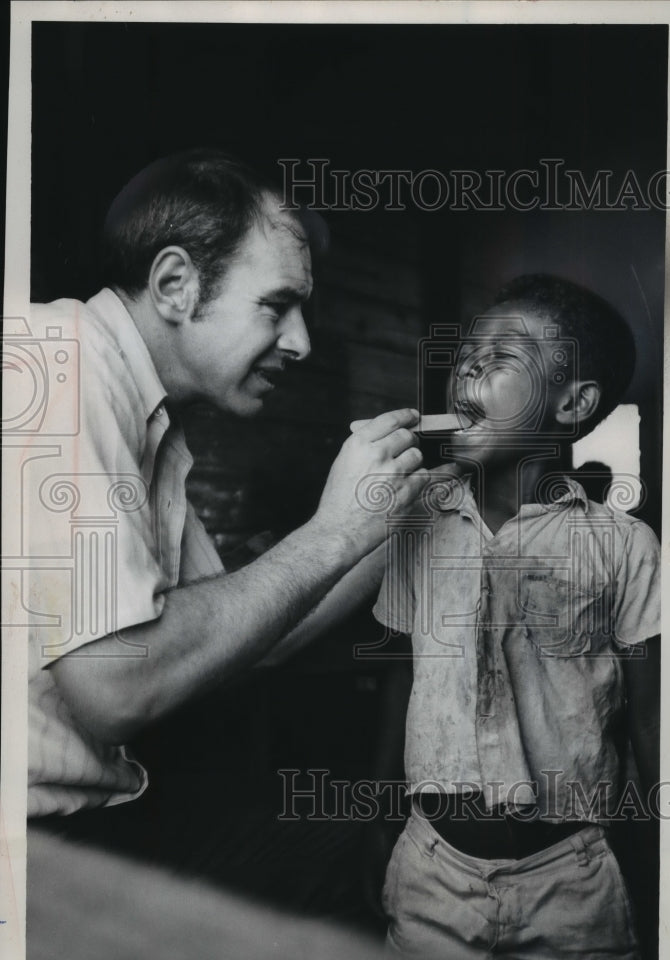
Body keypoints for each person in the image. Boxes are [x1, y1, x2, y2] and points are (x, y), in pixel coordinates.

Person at [23, 149, 427, 826]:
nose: (300, 342)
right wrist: (336, 531)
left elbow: (239, 645)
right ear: (176, 284)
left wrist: (390, 530)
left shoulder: (151, 423)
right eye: (278, 306)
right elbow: (118, 686)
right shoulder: (58, 363)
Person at [372, 274, 661, 960]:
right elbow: (399, 680)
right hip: (429, 866)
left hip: (576, 881)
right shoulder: (414, 522)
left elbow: (650, 721)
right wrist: (374, 834)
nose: (468, 365)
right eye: (467, 351)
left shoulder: (623, 545)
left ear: (573, 403)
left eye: (502, 353)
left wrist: (652, 871)